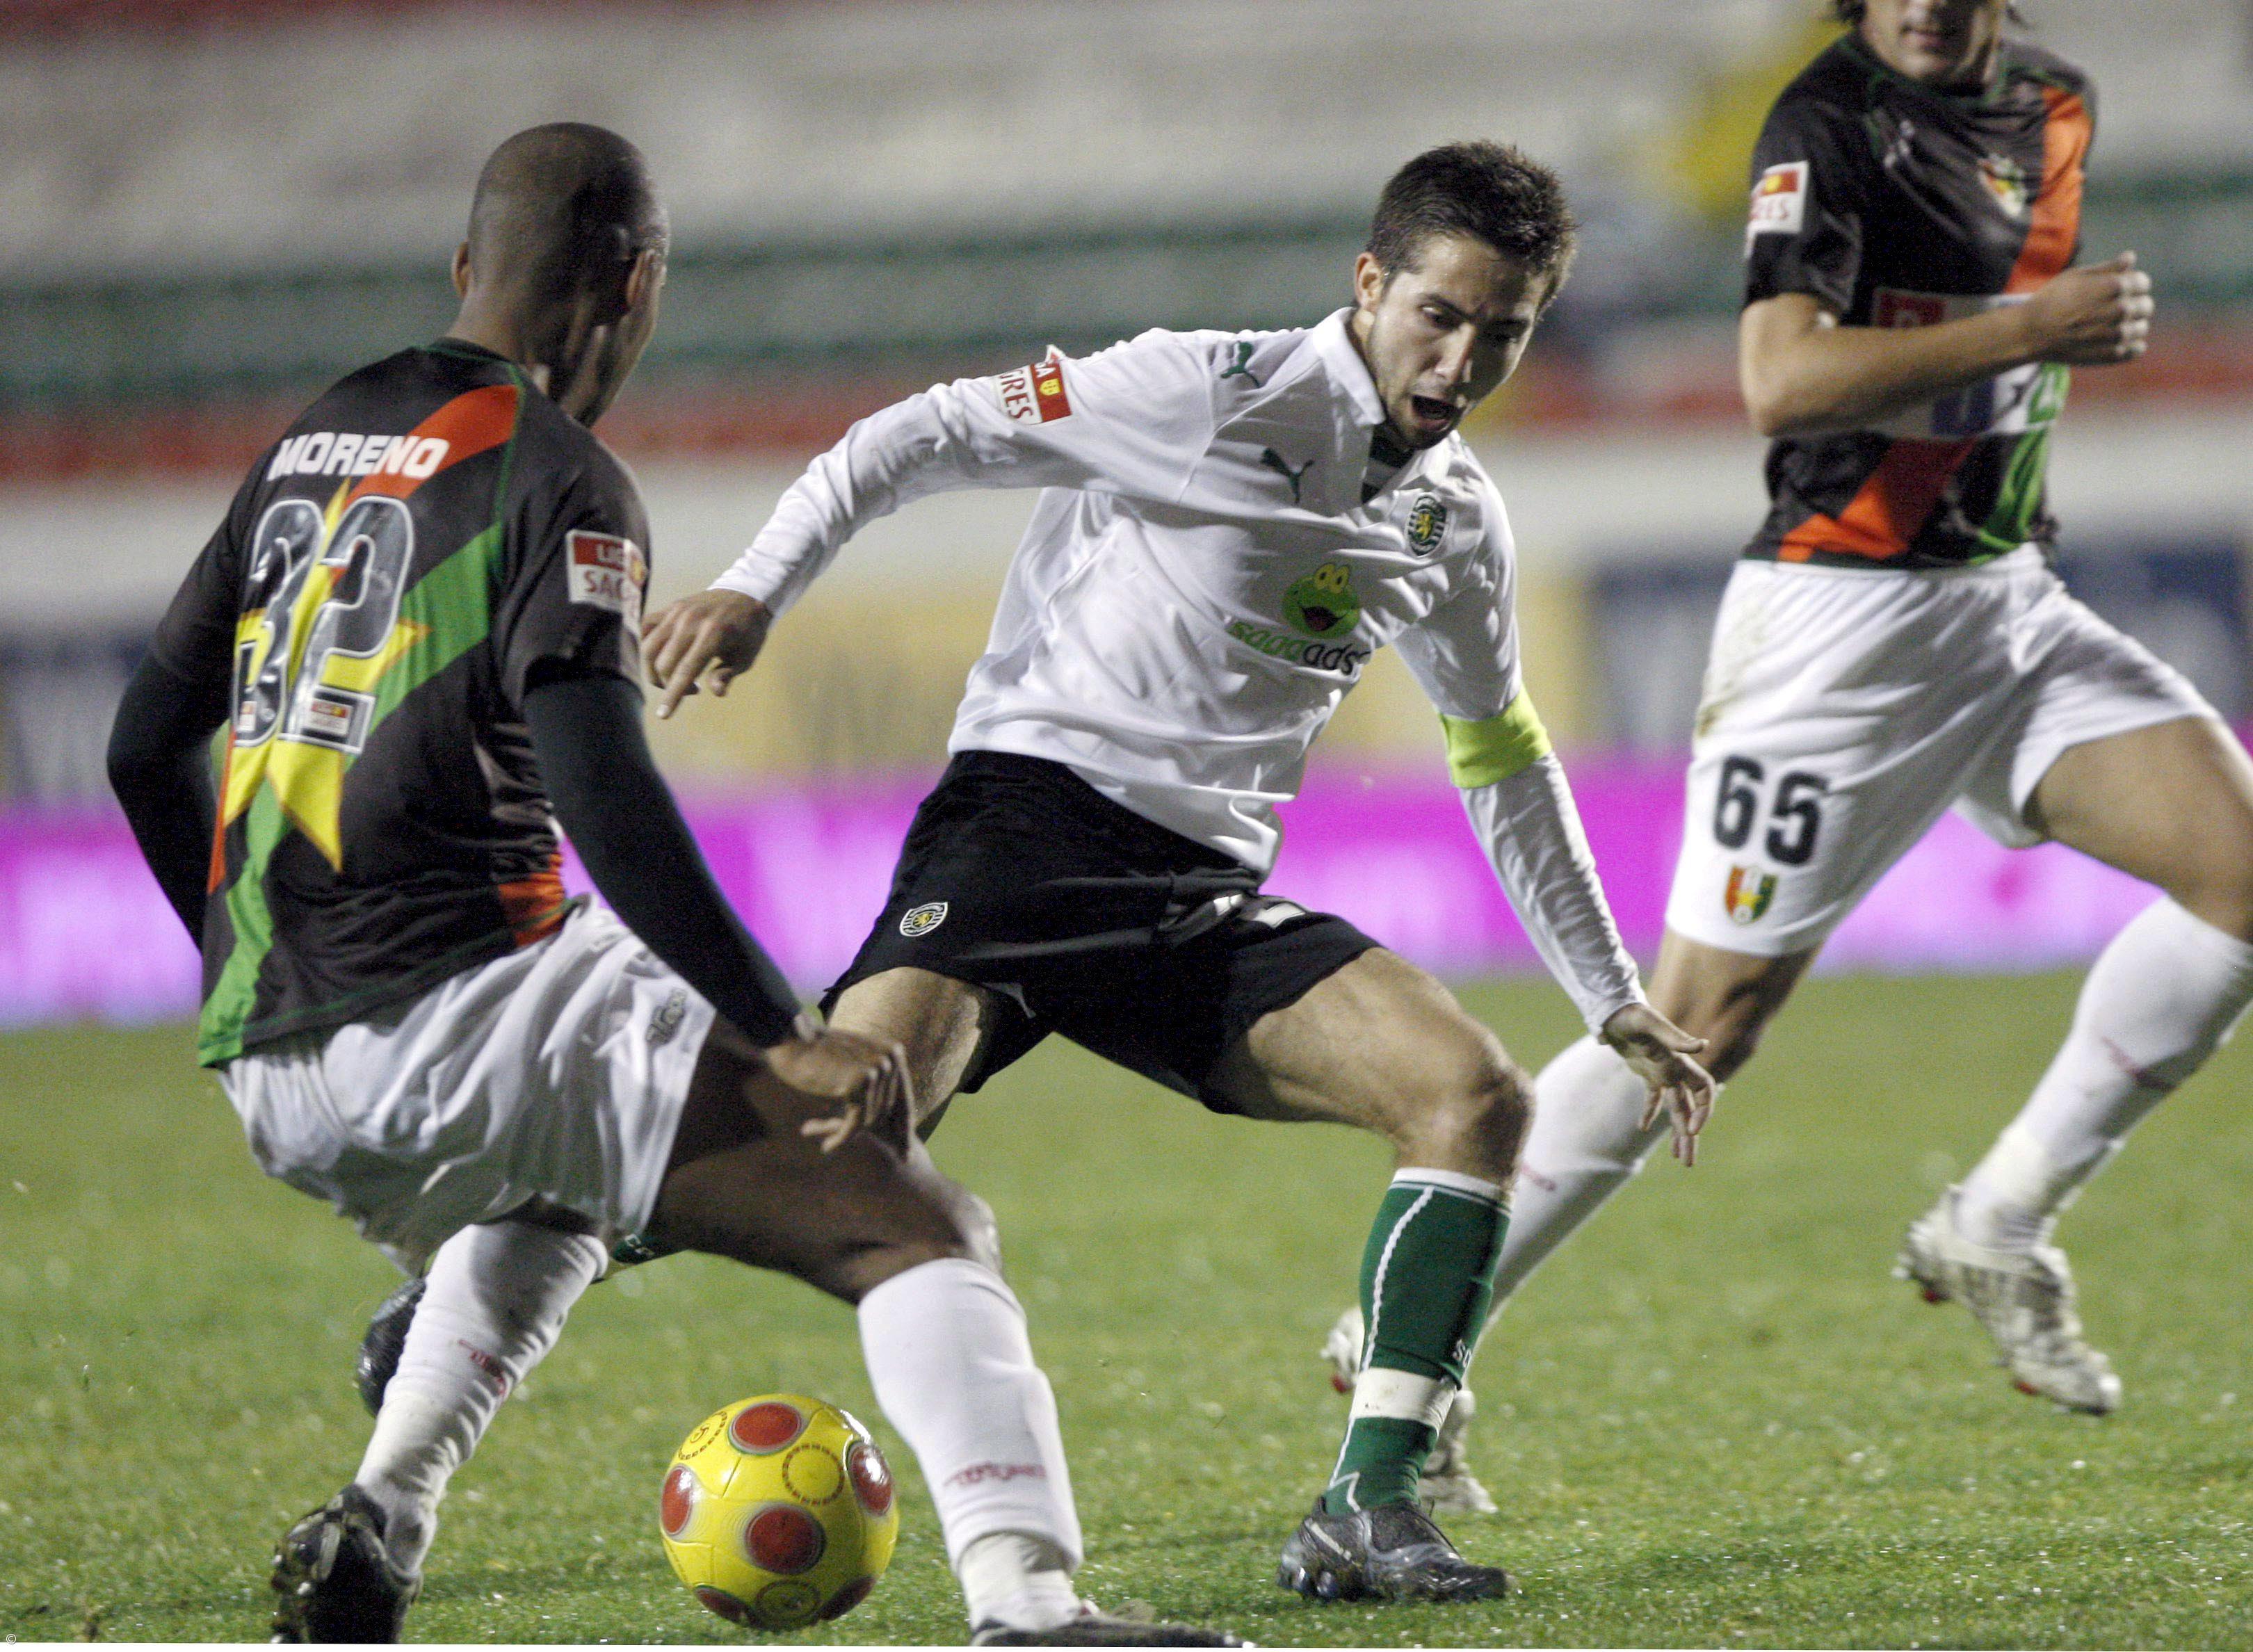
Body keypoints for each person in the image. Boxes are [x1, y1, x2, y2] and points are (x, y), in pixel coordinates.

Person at [105, 122, 1234, 1649]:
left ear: (464, 268)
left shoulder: (318, 435)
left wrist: (257, 969)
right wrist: (780, 1027)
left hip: (277, 1064)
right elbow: (604, 786)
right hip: (457, 1008)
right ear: (636, 284)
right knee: (915, 1227)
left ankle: (378, 1520)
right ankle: (1030, 1605)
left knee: (568, 1176)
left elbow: (138, 745)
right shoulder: (559, 477)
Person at [637, 139, 1718, 1606]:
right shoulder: (1205, 388)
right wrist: (756, 586)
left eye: (1505, 332)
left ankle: (1368, 1508)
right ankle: (516, 1263)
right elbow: (915, 437)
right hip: (1028, 826)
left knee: (1473, 1098)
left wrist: (1612, 995)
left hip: (1198, 892)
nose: (1463, 360)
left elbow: (1500, 753)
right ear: (1369, 283)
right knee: (823, 1139)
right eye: (1440, 316)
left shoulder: (1455, 517)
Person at [1322, 0, 2253, 1512]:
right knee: (1695, 1027)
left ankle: (2001, 1218)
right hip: (1845, 624)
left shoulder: (2058, 104)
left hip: (2006, 598)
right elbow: (1782, 380)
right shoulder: (1825, 126)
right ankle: (1399, 1340)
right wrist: (2034, 330)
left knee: (2241, 876)